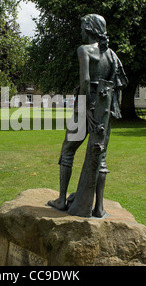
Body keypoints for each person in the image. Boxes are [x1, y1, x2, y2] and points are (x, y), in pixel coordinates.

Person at [48, 14, 127, 218]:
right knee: (101, 158)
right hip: (104, 109)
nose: (81, 31)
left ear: (90, 29)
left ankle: (62, 199)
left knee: (67, 151)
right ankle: (98, 208)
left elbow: (85, 81)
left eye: (83, 26)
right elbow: (115, 86)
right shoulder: (112, 56)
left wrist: (82, 110)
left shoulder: (84, 50)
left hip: (86, 106)